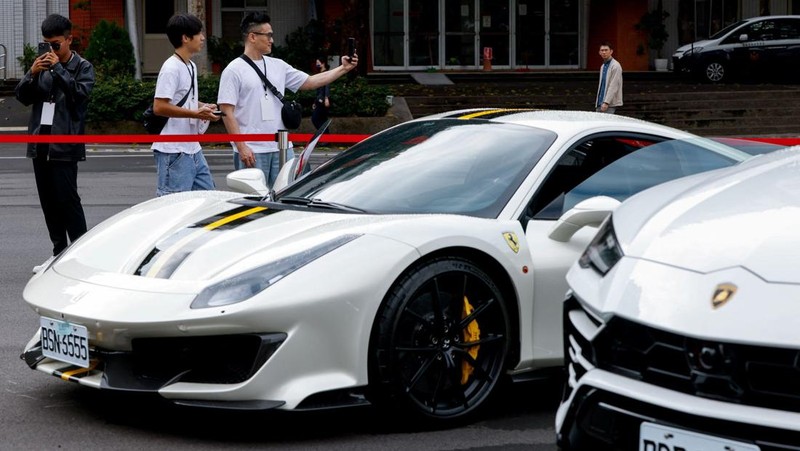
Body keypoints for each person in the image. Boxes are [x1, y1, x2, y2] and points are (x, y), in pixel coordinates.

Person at [218, 12, 358, 188]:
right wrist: (241, 147)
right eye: (268, 35)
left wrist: (343, 69)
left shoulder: (278, 65)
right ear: (252, 37)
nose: (272, 40)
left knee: (286, 198)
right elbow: (226, 111)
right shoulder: (233, 70)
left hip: (283, 147)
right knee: (254, 202)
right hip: (253, 150)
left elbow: (310, 81)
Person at [15, 14, 95, 261]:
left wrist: (59, 69)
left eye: (56, 44)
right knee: (49, 202)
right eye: (46, 44)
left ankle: (81, 255)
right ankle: (58, 253)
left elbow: (78, 98)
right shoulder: (42, 67)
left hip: (65, 144)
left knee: (68, 200)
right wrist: (31, 73)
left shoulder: (82, 67)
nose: (51, 49)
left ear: (69, 40)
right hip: (40, 142)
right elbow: (22, 97)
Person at [151, 13, 221, 197]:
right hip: (173, 151)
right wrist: (195, 113)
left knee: (207, 201)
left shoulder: (190, 65)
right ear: (185, 38)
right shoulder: (171, 68)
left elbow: (184, 99)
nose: (203, 38)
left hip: (192, 148)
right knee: (174, 207)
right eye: (199, 33)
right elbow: (159, 106)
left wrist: (203, 106)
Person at [595, 41, 623, 114]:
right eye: (602, 50)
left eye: (606, 50)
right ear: (599, 52)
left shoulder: (615, 66)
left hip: (609, 104)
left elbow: (614, 85)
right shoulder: (603, 66)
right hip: (600, 103)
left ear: (611, 51)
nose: (604, 52)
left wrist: (606, 102)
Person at [311, 58, 331, 131]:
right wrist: (314, 102)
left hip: (322, 100)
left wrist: (326, 98)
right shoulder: (320, 74)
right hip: (318, 100)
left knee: (316, 118)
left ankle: (325, 137)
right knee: (322, 120)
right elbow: (318, 90)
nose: (317, 64)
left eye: (318, 62)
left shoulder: (326, 73)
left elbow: (327, 86)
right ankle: (326, 139)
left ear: (323, 63)